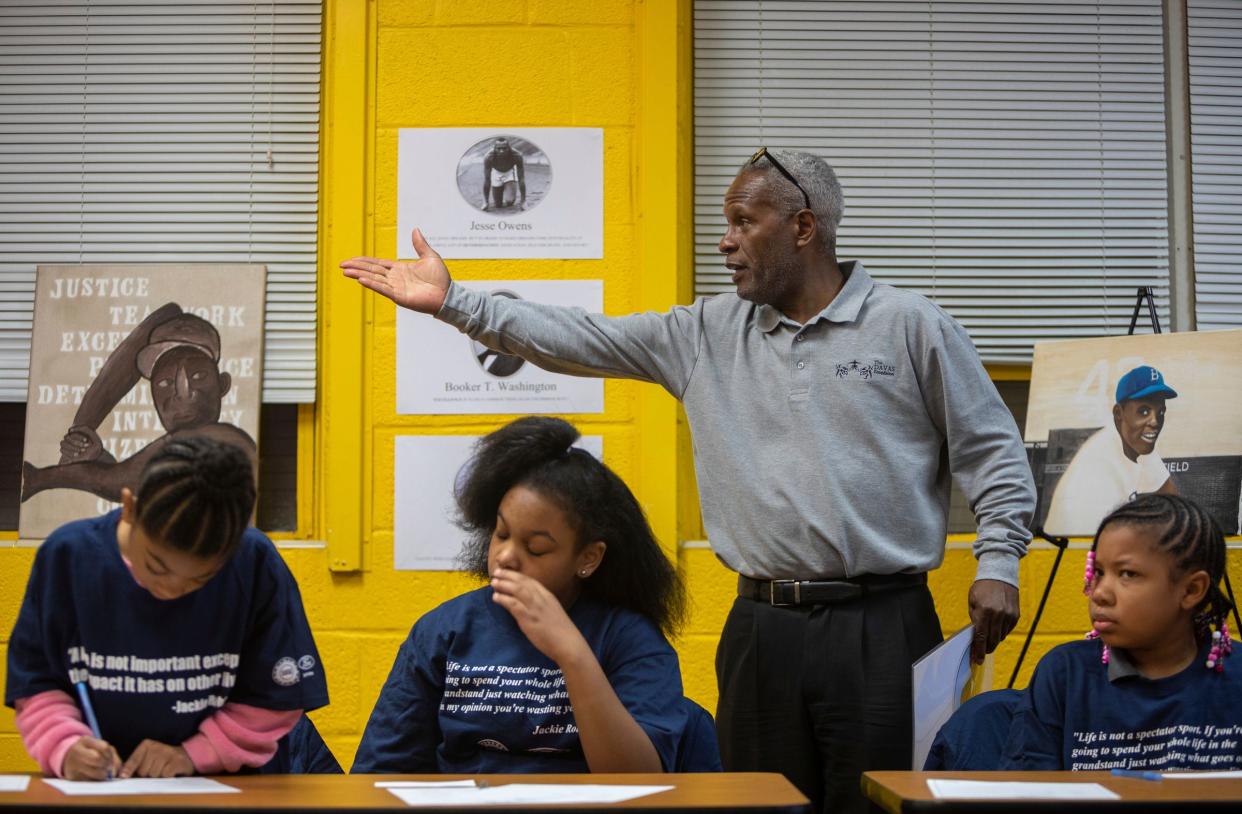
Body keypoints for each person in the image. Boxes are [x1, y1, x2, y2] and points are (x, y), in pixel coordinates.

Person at [341, 148, 1034, 811]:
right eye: (723, 224)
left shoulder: (912, 327)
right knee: (761, 808)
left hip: (881, 621)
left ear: (803, 227)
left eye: (743, 222)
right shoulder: (704, 333)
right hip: (762, 625)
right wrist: (457, 302)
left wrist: (999, 561)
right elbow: (578, 336)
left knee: (879, 802)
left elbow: (993, 451)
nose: (725, 243)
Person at [351, 416, 696, 774]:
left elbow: (638, 780)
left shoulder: (628, 637)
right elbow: (381, 770)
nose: (505, 556)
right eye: (501, 534)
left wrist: (572, 653)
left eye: (536, 548)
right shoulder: (445, 631)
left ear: (588, 558)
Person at [5, 436, 327, 780]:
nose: (171, 589)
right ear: (130, 507)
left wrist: (196, 753)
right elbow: (37, 683)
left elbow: (275, 697)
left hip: (225, 785)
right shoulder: (69, 558)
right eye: (156, 566)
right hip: (101, 785)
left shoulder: (252, 563)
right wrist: (64, 745)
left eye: (198, 580)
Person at [1002, 493, 1240, 771]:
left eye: (1128, 574)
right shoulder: (1065, 674)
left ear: (1191, 590)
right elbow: (1027, 793)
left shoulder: (1236, 681)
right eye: (1099, 572)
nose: (1100, 593)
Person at [21, 304, 255, 504]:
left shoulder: (224, 439)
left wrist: (42, 478)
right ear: (152, 394)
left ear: (223, 384)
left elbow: (119, 480)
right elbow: (132, 486)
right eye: (165, 382)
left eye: (197, 376)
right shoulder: (173, 456)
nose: (181, 392)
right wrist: (98, 457)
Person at [1043, 365, 1178, 536]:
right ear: (1118, 413)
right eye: (1144, 411)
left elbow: (1174, 500)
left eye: (1160, 412)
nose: (1155, 422)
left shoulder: (1136, 439)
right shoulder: (1094, 476)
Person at [481, 138, 526, 212]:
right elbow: (487, 180)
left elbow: (521, 178)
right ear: (494, 148)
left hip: (509, 173)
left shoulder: (517, 155)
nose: (501, 151)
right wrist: (485, 202)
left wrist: (523, 201)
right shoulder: (488, 157)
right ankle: (500, 188)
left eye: (504, 148)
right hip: (496, 173)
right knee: (498, 205)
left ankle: (508, 186)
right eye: (499, 148)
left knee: (509, 202)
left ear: (509, 148)